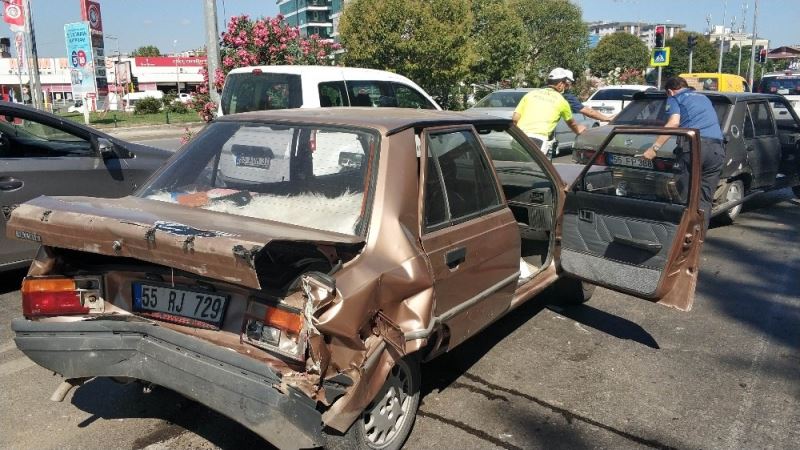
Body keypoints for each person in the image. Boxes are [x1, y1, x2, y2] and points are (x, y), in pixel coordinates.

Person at [639, 76, 725, 231]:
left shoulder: (675, 98)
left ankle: (679, 237)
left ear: (670, 91)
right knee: (704, 199)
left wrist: (654, 148)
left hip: (695, 148)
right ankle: (697, 239)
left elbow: (673, 123)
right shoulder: (704, 98)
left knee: (683, 196)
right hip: (716, 150)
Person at [512, 68, 586, 155]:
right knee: (537, 163)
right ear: (560, 84)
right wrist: (578, 129)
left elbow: (515, 118)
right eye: (564, 83)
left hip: (519, 137)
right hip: (538, 140)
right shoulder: (561, 101)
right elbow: (572, 123)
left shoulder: (531, 94)